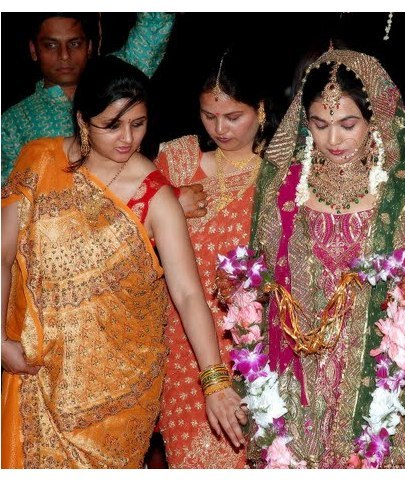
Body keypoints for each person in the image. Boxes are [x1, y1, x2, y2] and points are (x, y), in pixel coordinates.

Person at [1, 56, 246, 468]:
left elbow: (188, 294)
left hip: (121, 392)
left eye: (138, 124)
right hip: (39, 373)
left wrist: (215, 381)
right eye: (111, 125)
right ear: (83, 119)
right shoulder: (40, 162)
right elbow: (3, 254)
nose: (127, 139)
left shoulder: (155, 194)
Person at [248, 47, 405, 468]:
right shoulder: (284, 185)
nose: (332, 140)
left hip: (375, 365)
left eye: (347, 124)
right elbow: (262, 275)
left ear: (374, 118)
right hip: (298, 371)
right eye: (319, 124)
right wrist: (244, 283)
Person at [155, 50, 276, 468]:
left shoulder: (280, 178)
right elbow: (123, 228)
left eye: (233, 116)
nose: (220, 129)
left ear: (261, 109)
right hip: (179, 347)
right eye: (209, 116)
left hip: (249, 348)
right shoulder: (176, 162)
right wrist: (168, 204)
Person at [1, 13, 175, 184]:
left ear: (89, 47)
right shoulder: (13, 122)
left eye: (74, 44)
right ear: (34, 50)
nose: (64, 55)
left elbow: (153, 28)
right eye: (51, 45)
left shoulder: (116, 82)